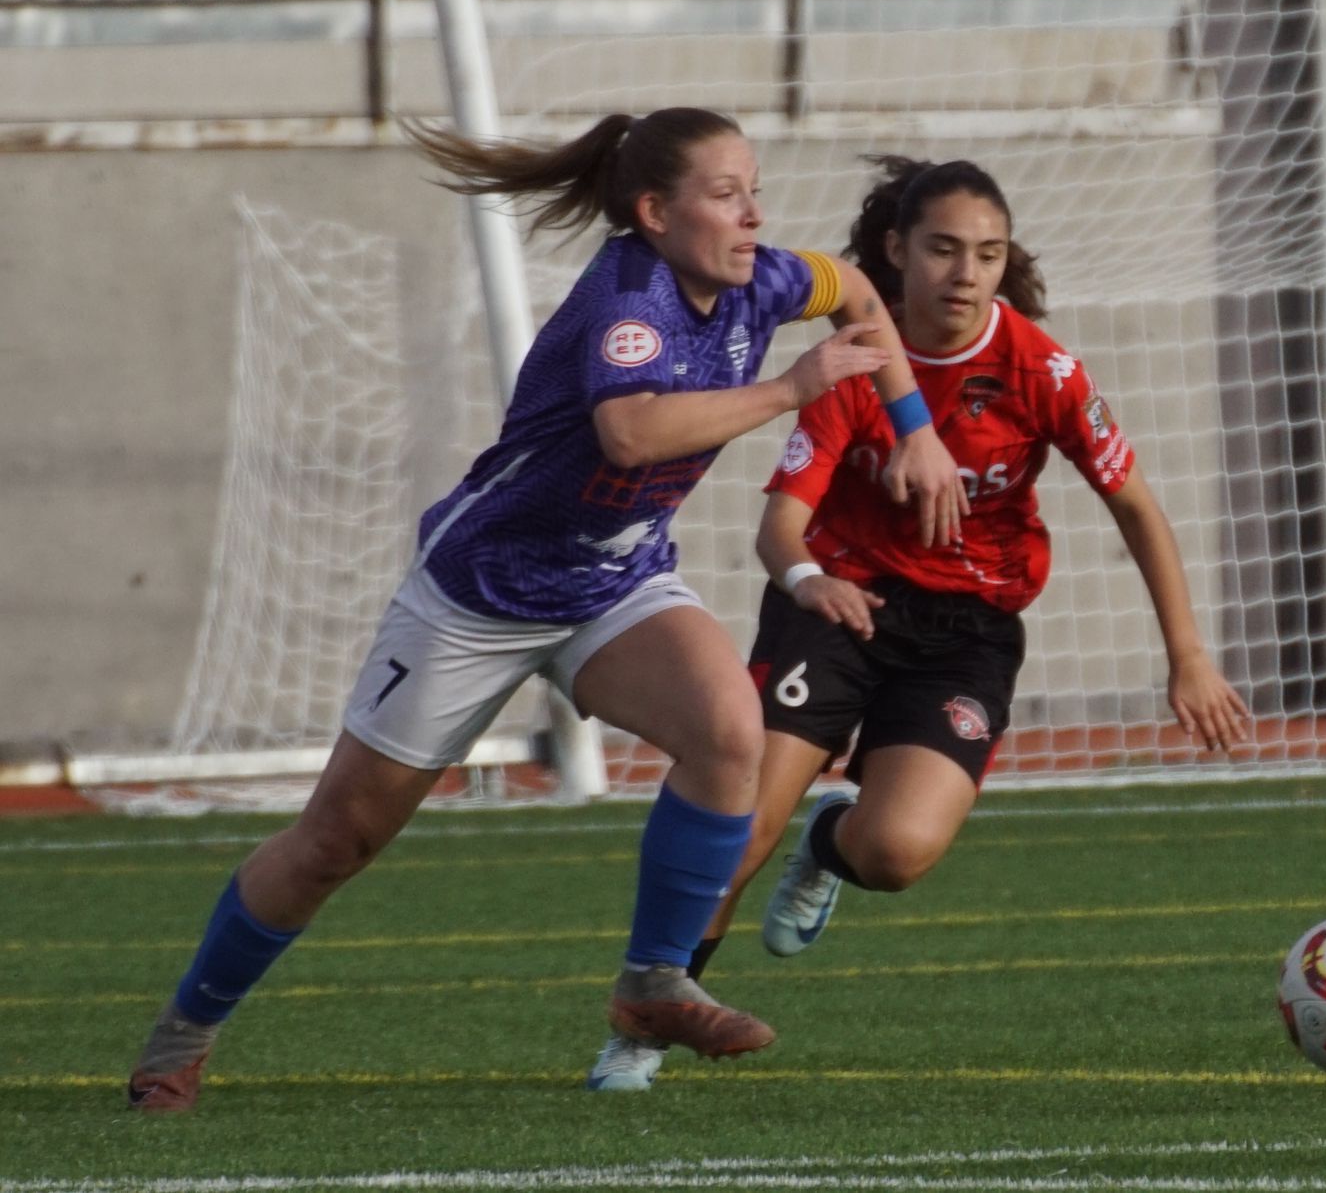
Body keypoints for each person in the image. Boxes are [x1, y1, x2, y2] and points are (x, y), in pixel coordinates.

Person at [125, 109, 969, 1111]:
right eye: (725, 193)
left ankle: (652, 983)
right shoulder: (630, 296)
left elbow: (860, 291)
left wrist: (914, 427)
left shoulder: (762, 277)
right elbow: (628, 432)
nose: (753, 214)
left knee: (728, 732)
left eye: (754, 189)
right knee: (334, 843)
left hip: (612, 582)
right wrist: (790, 387)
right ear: (654, 213)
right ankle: (183, 1032)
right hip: (481, 593)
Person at [587, 156, 1252, 1087]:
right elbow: (779, 528)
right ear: (895, 252)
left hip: (968, 630)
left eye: (987, 253)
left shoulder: (1042, 369)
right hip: (839, 605)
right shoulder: (859, 361)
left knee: (895, 853)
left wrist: (1188, 659)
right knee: (738, 832)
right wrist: (813, 579)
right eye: (942, 249)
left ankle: (832, 841)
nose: (966, 273)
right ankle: (641, 1032)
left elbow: (1137, 507)